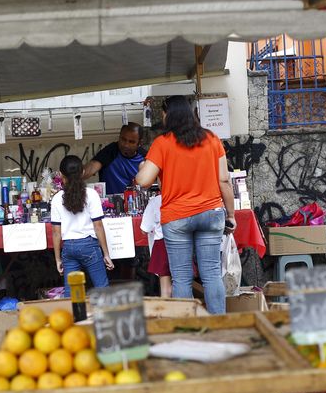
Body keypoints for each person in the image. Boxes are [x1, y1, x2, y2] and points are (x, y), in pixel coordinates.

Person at [135, 95, 236, 314]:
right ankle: (219, 322)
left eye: (162, 113)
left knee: (181, 277)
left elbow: (143, 181)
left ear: (167, 114)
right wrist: (231, 215)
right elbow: (224, 180)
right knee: (211, 273)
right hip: (211, 212)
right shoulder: (211, 139)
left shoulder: (162, 143)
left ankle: (187, 325)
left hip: (177, 216)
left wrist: (143, 167)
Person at [51, 155, 115, 297]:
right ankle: (104, 319)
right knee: (102, 289)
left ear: (61, 175)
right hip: (89, 246)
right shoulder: (91, 195)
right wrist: (106, 254)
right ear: (82, 173)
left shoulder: (56, 199)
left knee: (72, 294)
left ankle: (75, 319)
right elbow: (98, 226)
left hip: (69, 248)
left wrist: (57, 259)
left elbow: (56, 233)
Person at [82, 122, 146, 194]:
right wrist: (71, 177)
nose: (126, 145)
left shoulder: (145, 157)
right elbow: (91, 168)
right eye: (123, 139)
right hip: (110, 203)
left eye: (131, 142)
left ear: (140, 143)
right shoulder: (110, 151)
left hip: (136, 203)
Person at [140, 194, 172, 298]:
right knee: (183, 282)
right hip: (183, 241)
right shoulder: (184, 196)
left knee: (165, 288)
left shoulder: (156, 201)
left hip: (162, 243)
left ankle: (167, 312)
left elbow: (144, 229)